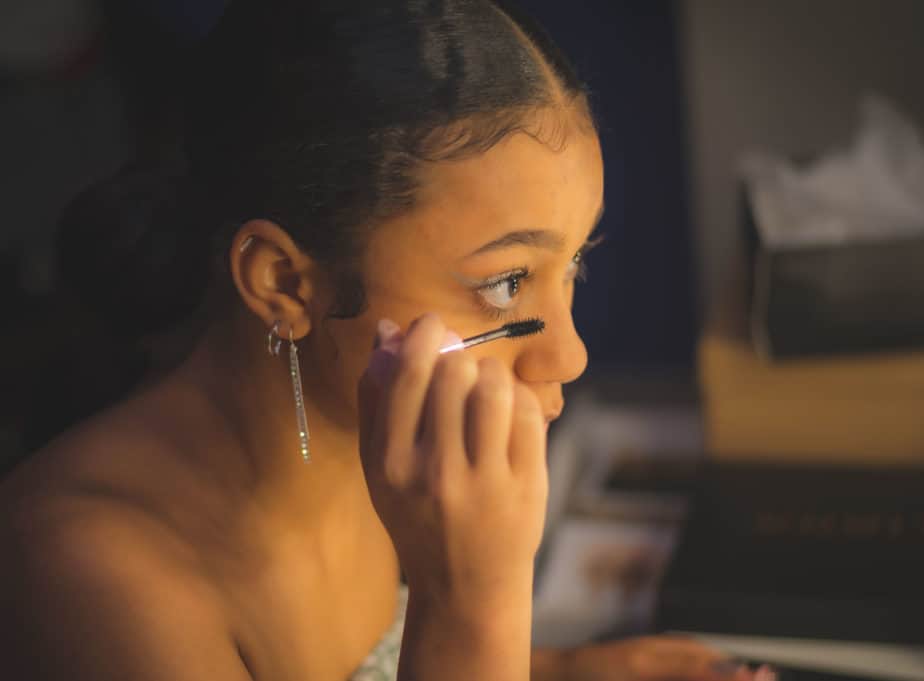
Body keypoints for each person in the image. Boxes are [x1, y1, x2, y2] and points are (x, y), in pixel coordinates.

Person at [0, 2, 775, 680]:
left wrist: (565, 670)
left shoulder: (363, 429)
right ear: (284, 284)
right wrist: (470, 603)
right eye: (507, 282)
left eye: (571, 265)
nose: (568, 355)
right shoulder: (89, 580)